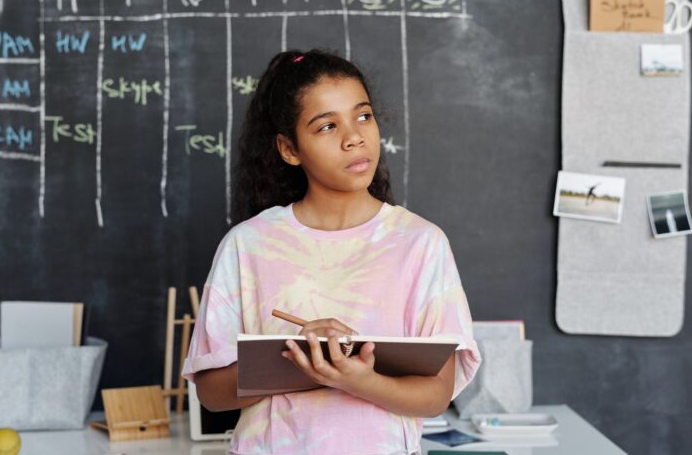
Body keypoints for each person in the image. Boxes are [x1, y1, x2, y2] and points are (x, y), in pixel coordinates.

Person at [182, 49, 481, 455]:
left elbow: (435, 395)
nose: (354, 137)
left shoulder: (420, 243)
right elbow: (213, 394)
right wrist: (304, 359)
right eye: (326, 126)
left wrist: (357, 379)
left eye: (363, 116)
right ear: (289, 149)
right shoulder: (248, 245)